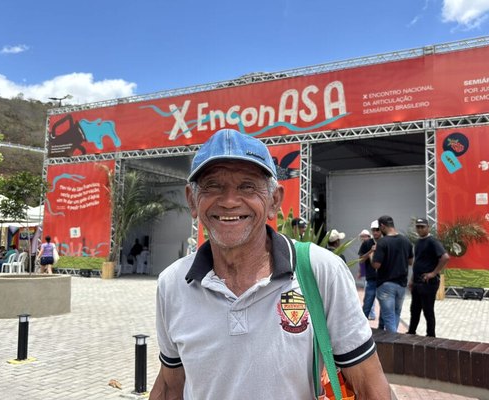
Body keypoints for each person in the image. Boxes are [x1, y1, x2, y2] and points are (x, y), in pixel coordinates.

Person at [150, 129, 390, 400]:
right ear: (193, 200)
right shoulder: (172, 283)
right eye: (213, 186)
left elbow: (370, 386)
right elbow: (171, 385)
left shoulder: (319, 271)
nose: (229, 201)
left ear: (274, 200)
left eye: (247, 186)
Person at [407, 218, 450, 337]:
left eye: (422, 227)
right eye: (418, 227)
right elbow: (417, 262)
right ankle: (411, 332)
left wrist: (433, 273)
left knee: (428, 310)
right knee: (414, 309)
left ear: (428, 228)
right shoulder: (418, 242)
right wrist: (411, 280)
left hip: (428, 283)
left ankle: (431, 336)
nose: (420, 229)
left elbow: (445, 257)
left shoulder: (432, 241)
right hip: (417, 282)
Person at [372, 215, 413, 333]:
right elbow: (410, 262)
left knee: (388, 318)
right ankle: (395, 342)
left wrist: (371, 255)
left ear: (383, 226)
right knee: (396, 315)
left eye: (379, 229)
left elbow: (376, 265)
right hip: (401, 285)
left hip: (385, 285)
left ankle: (393, 344)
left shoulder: (382, 242)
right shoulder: (406, 240)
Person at [359, 221, 382, 321]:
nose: (376, 232)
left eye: (377, 230)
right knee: (368, 303)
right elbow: (361, 260)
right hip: (371, 278)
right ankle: (363, 326)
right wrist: (371, 251)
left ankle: (382, 327)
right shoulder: (367, 243)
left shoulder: (386, 242)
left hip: (384, 279)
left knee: (385, 306)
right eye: (374, 230)